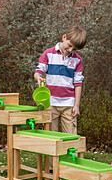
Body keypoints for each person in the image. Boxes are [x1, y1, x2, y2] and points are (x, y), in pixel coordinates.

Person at [34, 25, 87, 168]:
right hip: (50, 103)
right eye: (69, 46)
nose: (70, 50)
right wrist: (39, 78)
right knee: (52, 138)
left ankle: (71, 168)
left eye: (74, 49)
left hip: (69, 104)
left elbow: (78, 83)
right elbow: (39, 71)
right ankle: (52, 169)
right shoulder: (48, 54)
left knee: (70, 137)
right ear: (64, 37)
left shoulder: (77, 60)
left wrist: (76, 105)